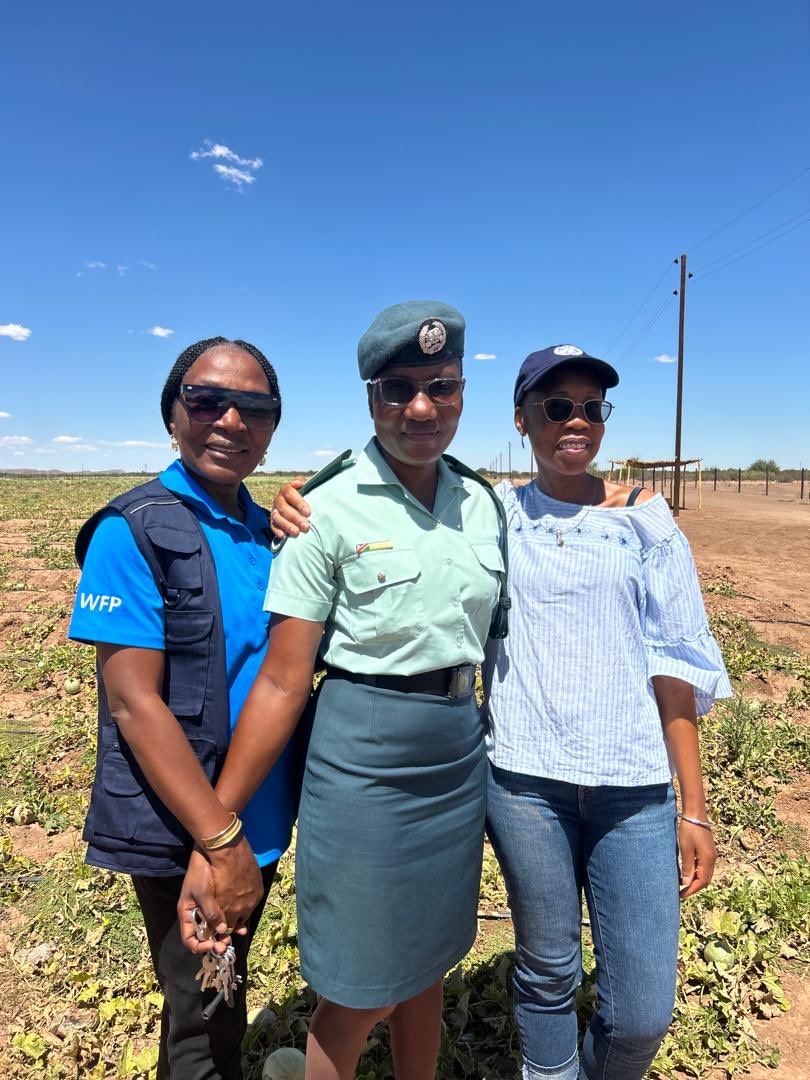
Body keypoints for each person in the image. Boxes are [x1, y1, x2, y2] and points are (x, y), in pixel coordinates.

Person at [270, 342, 732, 1080]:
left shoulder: (646, 521)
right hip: (524, 783)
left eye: (590, 408)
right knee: (547, 973)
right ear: (522, 419)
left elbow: (675, 668)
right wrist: (300, 500)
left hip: (633, 786)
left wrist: (694, 808)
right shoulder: (492, 511)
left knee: (643, 1011)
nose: (574, 421)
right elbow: (398, 512)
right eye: (556, 407)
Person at [179, 301, 506, 1080]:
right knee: (360, 985)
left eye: (441, 386)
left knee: (427, 962)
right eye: (399, 389)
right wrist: (217, 828)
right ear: (371, 398)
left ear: (461, 392)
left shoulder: (482, 503)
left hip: (457, 756)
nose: (421, 407)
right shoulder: (322, 507)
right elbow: (287, 678)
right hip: (363, 760)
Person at [69, 336, 298, 1080]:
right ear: (173, 414)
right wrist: (221, 842)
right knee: (200, 1021)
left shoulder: (268, 534)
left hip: (258, 819)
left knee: (220, 999)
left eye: (254, 408)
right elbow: (134, 704)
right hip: (188, 828)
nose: (229, 420)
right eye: (206, 401)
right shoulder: (132, 530)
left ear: (270, 429)